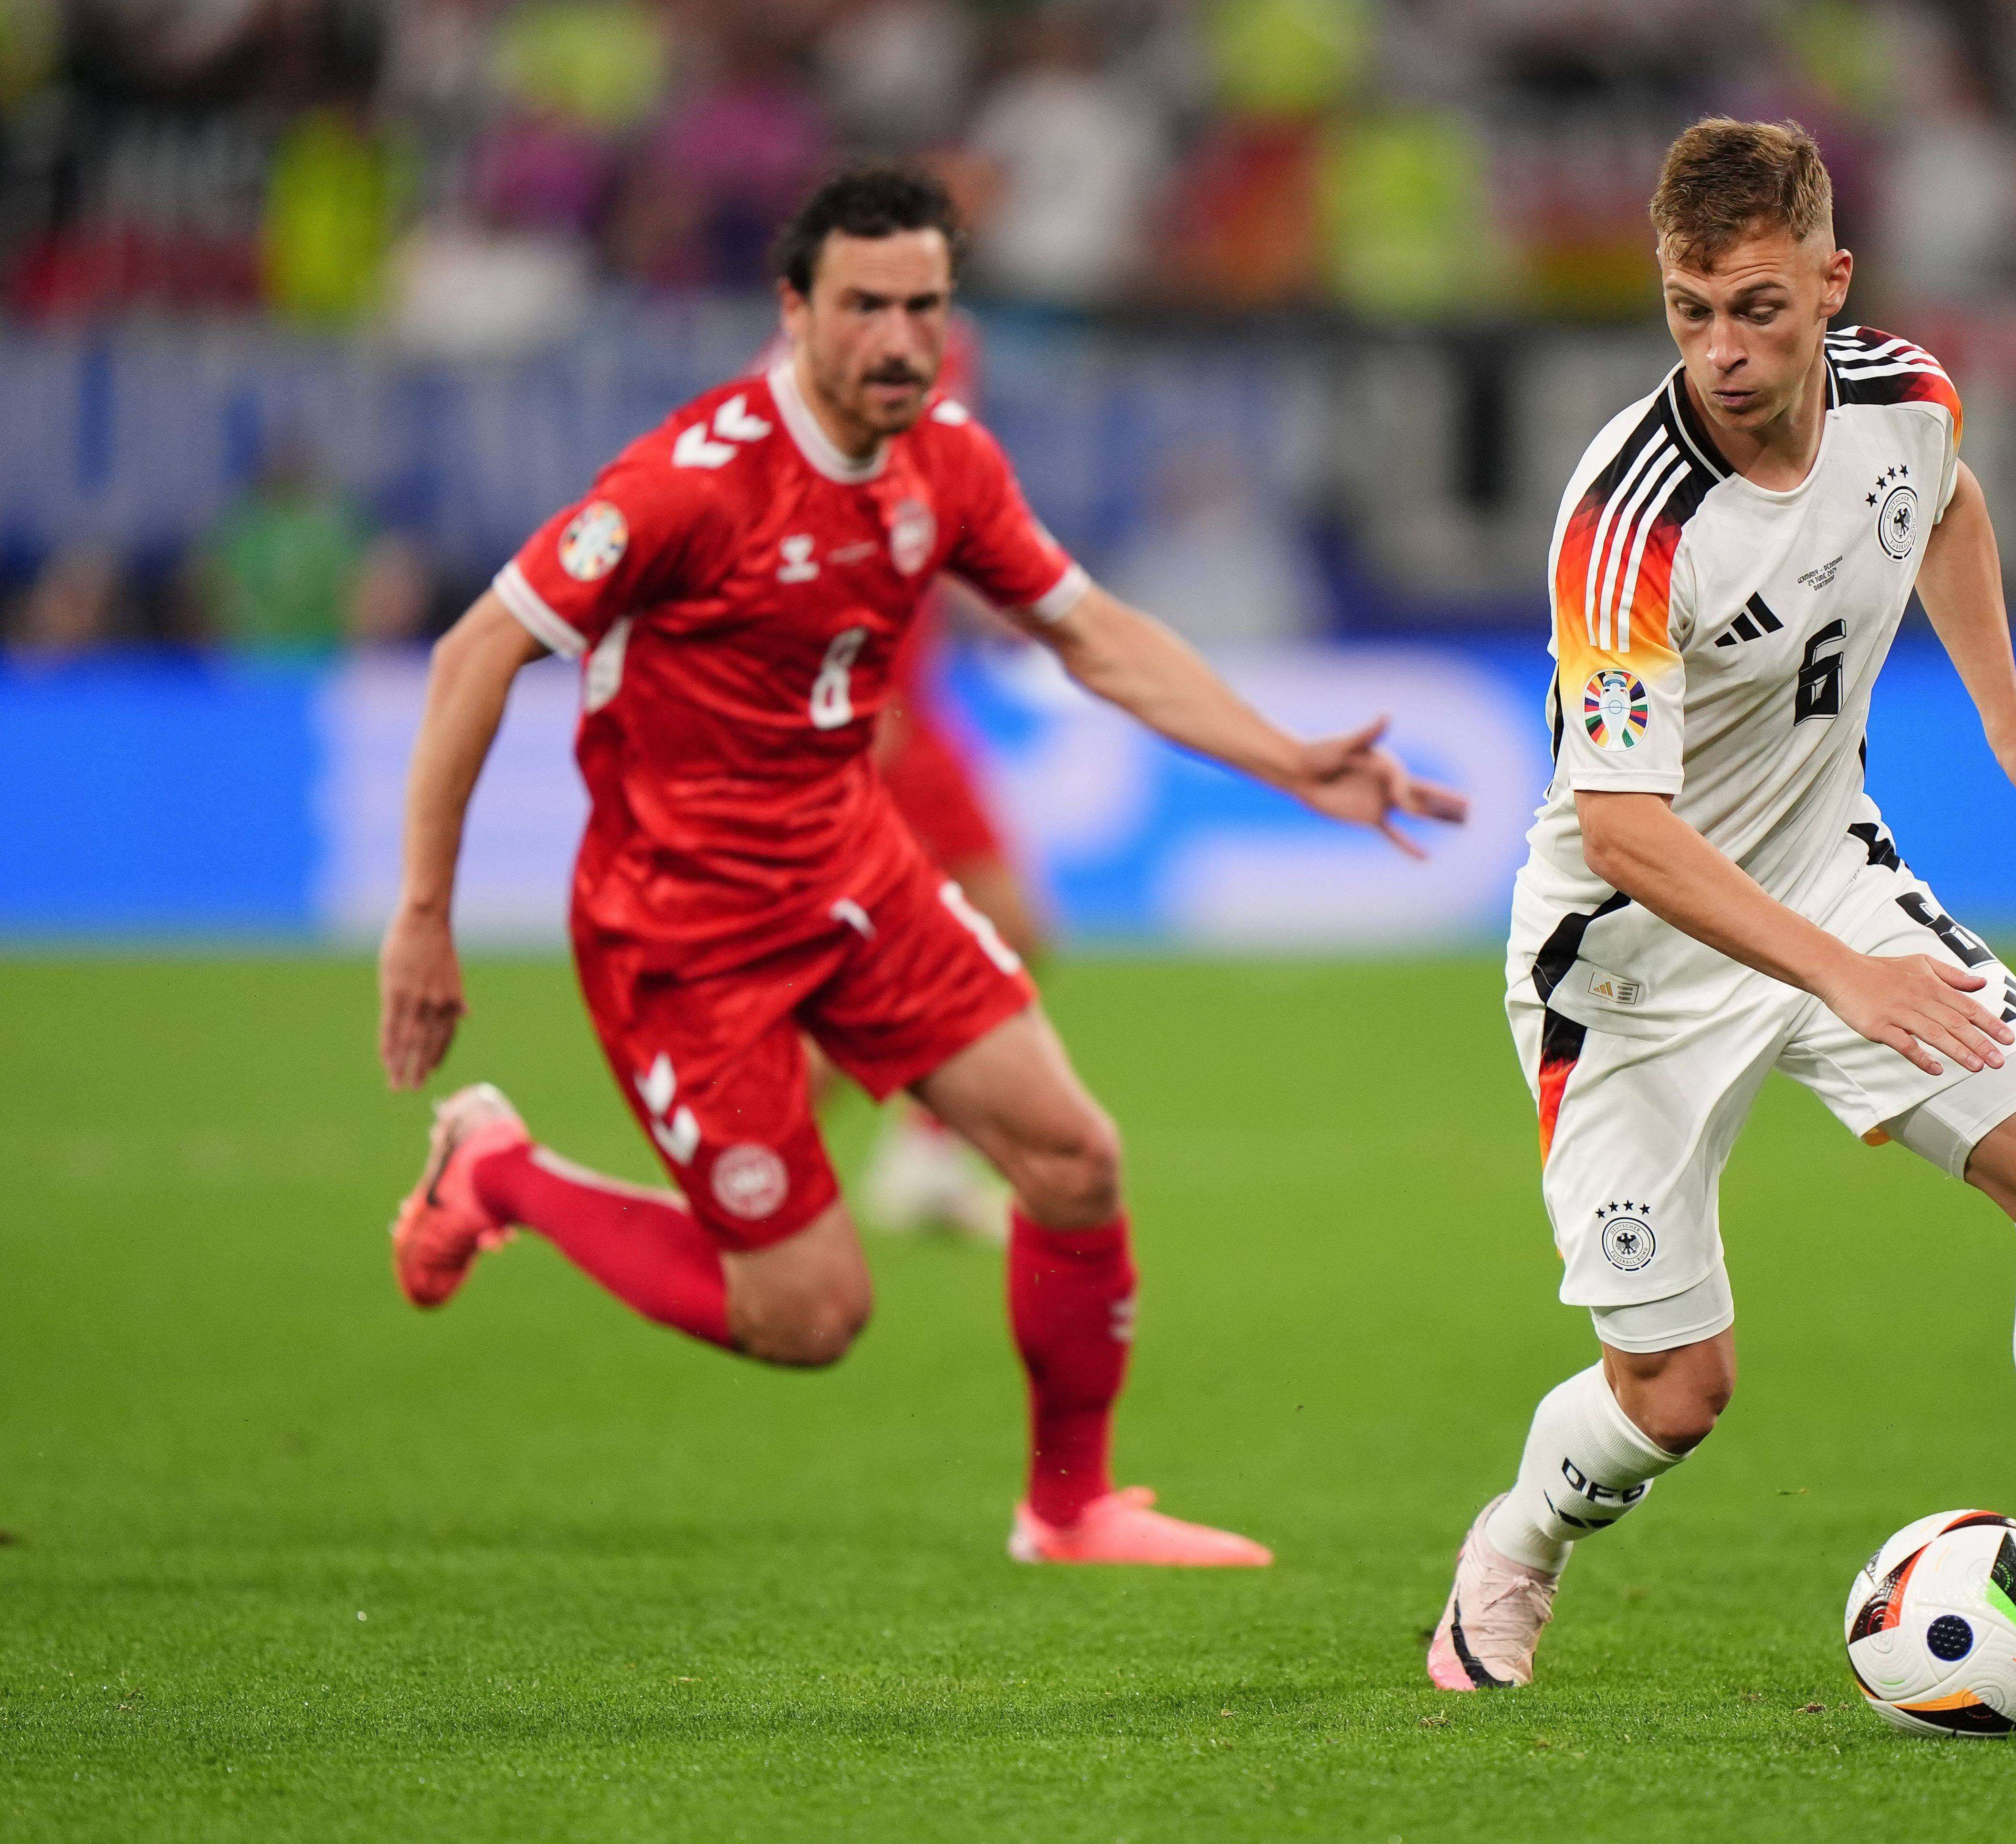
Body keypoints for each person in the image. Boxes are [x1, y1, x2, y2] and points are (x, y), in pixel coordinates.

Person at [377, 165, 1465, 1567]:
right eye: (864, 308)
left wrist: (1287, 758)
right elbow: (477, 651)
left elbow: (1094, 634)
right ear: (794, 310)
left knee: (1073, 1158)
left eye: (924, 309)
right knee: (810, 1320)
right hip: (682, 932)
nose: (899, 341)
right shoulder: (685, 489)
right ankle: (501, 1169)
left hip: (856, 877)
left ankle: (1067, 1510)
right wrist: (425, 917)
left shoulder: (945, 460)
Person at [1424, 119, 2016, 1690]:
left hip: (1826, 882)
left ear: (1831, 280)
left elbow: (1943, 506)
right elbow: (1621, 832)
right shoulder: (1626, 522)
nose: (1721, 351)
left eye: (1755, 306)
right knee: (1673, 1396)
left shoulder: (1904, 395)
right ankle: (1512, 1548)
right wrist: (1843, 983)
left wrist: (2007, 720)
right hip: (1627, 974)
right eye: (1687, 309)